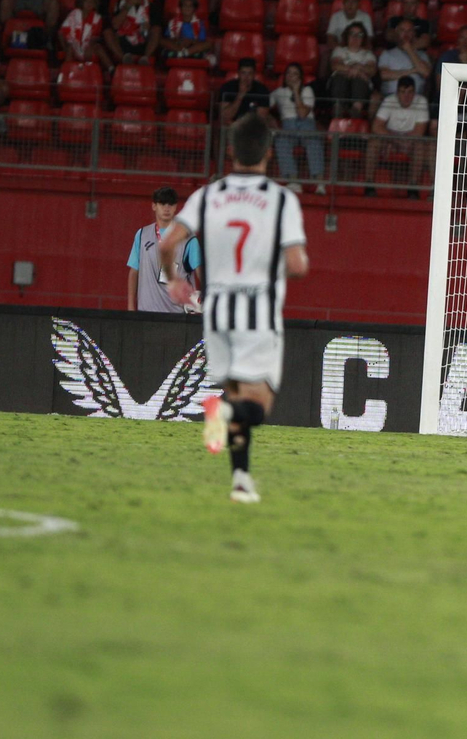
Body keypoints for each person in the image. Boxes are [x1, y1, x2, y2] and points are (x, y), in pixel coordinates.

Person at [162, 114, 311, 504]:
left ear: (232, 151)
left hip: (216, 311)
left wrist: (175, 281)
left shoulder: (208, 195)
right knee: (257, 405)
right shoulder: (282, 199)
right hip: (258, 311)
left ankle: (241, 478)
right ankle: (221, 416)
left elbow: (166, 244)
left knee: (234, 396)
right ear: (267, 153)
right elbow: (296, 265)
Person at [127, 186, 200, 313]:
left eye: (171, 204)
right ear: (154, 206)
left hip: (177, 315)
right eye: (162, 203)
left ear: (176, 207)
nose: (167, 208)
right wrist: (130, 306)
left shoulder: (188, 238)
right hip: (145, 313)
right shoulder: (142, 234)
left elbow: (201, 271)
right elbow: (134, 272)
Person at [367, 75, 431, 191]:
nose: (406, 96)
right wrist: (395, 141)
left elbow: (419, 132)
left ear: (414, 92)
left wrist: (397, 141)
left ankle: (413, 187)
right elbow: (376, 126)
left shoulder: (421, 101)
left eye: (410, 92)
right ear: (397, 92)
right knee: (373, 143)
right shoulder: (389, 100)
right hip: (390, 139)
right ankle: (369, 184)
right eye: (403, 92)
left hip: (410, 141)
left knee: (420, 147)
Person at [270, 63, 322, 194]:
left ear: (300, 77)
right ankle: (293, 181)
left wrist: (296, 92)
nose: (291, 76)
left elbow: (303, 113)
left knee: (313, 141)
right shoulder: (278, 92)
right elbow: (264, 108)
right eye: (289, 73)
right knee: (281, 141)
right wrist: (271, 121)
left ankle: (319, 183)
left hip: (306, 124)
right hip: (288, 126)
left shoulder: (307, 91)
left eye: (295, 74)